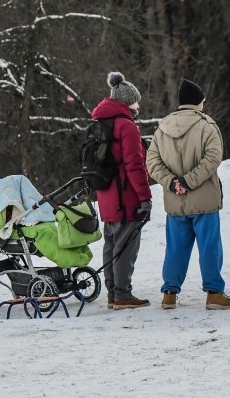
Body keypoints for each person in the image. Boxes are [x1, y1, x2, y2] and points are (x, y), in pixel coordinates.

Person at [146, 79, 230, 310]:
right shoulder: (207, 126)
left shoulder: (162, 129)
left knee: (175, 248)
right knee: (210, 247)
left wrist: (171, 183)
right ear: (199, 102)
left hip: (175, 202)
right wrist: (189, 181)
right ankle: (214, 293)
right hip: (204, 200)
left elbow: (152, 162)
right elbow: (213, 158)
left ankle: (169, 293)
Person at [91, 72, 152, 310]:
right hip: (125, 196)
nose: (138, 106)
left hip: (105, 195)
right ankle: (123, 295)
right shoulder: (126, 126)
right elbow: (134, 165)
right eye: (135, 101)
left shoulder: (100, 123)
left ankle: (112, 294)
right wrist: (145, 196)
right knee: (126, 246)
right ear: (126, 102)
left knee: (111, 244)